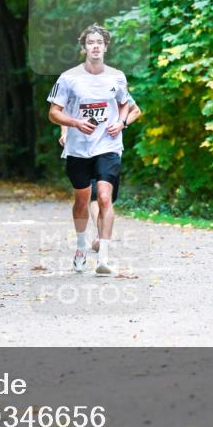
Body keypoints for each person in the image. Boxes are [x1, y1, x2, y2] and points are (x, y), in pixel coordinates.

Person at [48, 24, 131, 275]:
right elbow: (53, 113)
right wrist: (75, 123)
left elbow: (125, 104)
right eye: (91, 43)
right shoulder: (68, 78)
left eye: (99, 42)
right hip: (78, 149)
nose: (95, 46)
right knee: (82, 201)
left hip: (108, 145)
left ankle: (103, 258)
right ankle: (81, 246)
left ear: (106, 47)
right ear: (84, 48)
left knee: (104, 197)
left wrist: (121, 122)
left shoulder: (117, 77)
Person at [60, 97, 142, 252]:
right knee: (94, 195)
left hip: (107, 148)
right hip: (81, 150)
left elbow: (136, 111)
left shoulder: (115, 88)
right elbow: (65, 112)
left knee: (106, 197)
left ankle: (101, 236)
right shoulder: (76, 88)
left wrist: (121, 124)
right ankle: (100, 237)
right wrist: (65, 133)